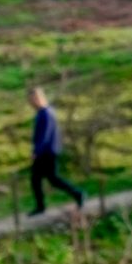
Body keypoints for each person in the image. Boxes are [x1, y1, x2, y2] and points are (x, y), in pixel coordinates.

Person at [27, 86, 86, 214]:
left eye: (32, 100)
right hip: (46, 151)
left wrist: (36, 151)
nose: (31, 104)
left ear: (38, 98)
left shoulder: (46, 114)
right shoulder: (44, 113)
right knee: (39, 179)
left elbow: (45, 135)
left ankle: (78, 194)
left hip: (47, 152)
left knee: (50, 179)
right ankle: (41, 205)